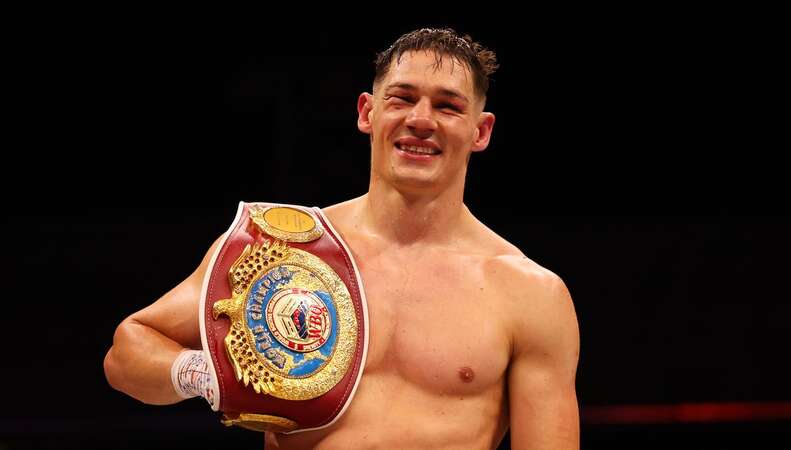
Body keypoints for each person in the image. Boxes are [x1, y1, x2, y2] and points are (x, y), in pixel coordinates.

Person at [104, 27, 580, 449]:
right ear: (367, 113)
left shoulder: (528, 293)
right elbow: (126, 353)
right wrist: (210, 376)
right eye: (402, 98)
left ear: (481, 131)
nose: (420, 119)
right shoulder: (277, 247)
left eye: (448, 106)